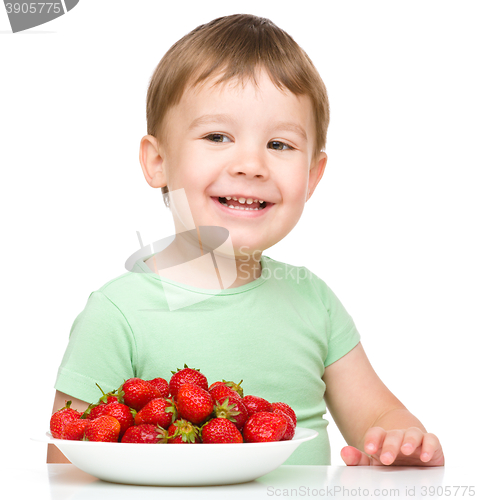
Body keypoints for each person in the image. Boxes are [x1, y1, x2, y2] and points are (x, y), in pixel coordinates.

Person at [48, 14, 444, 466]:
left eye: (280, 144)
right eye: (217, 136)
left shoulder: (313, 301)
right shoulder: (117, 315)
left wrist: (399, 442)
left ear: (313, 177)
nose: (251, 164)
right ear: (158, 161)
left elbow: (378, 413)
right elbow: (67, 467)